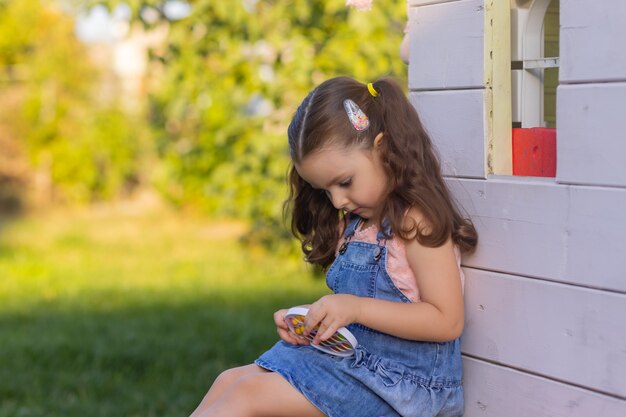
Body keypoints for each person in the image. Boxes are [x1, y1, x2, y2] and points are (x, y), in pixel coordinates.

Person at [189, 76, 478, 417]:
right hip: (355, 369)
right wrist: (314, 323)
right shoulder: (357, 224)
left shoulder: (414, 221)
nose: (338, 200)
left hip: (405, 390)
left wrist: (355, 308)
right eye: (326, 190)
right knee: (230, 381)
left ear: (384, 151)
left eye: (344, 182)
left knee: (248, 396)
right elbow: (358, 314)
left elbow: (447, 321)